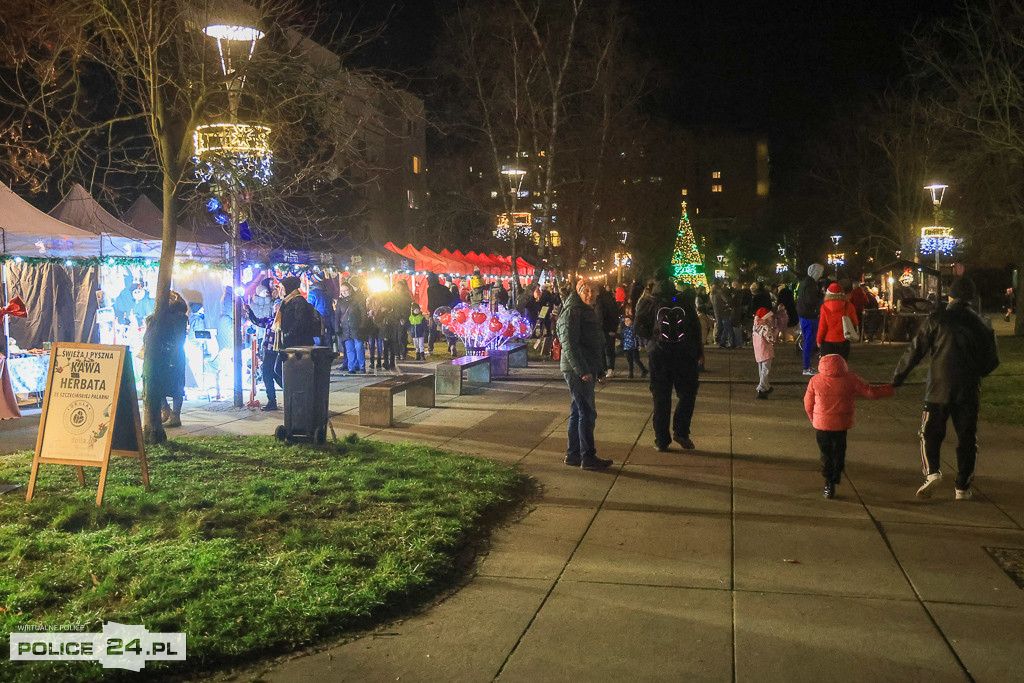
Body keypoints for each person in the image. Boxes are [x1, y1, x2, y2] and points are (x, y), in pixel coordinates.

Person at [892, 277, 1000, 500]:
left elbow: (915, 350)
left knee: (929, 433)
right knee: (967, 437)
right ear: (971, 298)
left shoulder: (936, 319)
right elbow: (992, 360)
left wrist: (898, 378)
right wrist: (975, 374)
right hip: (968, 389)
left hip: (938, 388)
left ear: (950, 296)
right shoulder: (982, 323)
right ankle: (962, 486)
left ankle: (932, 472)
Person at [804, 354, 894, 499]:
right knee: (839, 452)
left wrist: (814, 419)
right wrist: (890, 389)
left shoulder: (815, 380)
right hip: (840, 425)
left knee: (826, 454)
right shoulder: (851, 379)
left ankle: (828, 483)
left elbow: (808, 403)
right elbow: (870, 392)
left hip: (821, 425)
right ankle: (836, 475)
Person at [635, 276, 704, 451]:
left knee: (661, 397)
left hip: (659, 355)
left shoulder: (650, 302)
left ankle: (661, 439)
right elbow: (696, 328)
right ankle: (681, 431)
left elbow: (638, 326)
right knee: (687, 394)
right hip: (684, 354)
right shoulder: (683, 301)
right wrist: (698, 353)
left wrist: (652, 340)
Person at [556, 279, 612, 470]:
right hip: (577, 369)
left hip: (585, 367)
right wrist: (583, 371)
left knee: (578, 411)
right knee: (587, 412)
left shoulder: (584, 310)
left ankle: (573, 454)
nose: (590, 294)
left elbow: (594, 344)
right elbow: (570, 344)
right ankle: (588, 457)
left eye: (593, 291)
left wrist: (599, 370)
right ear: (578, 292)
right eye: (585, 291)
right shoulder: (573, 311)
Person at [145, 291, 189, 429]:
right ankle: (170, 412)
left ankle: (171, 413)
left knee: (169, 385)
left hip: (169, 355)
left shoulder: (170, 318)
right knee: (173, 385)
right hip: (173, 355)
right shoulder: (178, 318)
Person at [245, 280, 282, 411]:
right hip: (268, 350)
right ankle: (272, 400)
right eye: (275, 307)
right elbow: (256, 321)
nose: (276, 309)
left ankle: (289, 396)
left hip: (278, 351)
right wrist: (249, 311)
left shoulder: (282, 321)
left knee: (277, 374)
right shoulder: (270, 320)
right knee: (268, 374)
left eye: (278, 307)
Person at [796, 263, 826, 375]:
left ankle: (807, 365)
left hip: (805, 315)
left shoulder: (805, 282)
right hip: (809, 316)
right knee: (809, 340)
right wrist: (821, 296)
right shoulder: (811, 284)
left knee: (809, 340)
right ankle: (806, 367)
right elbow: (811, 300)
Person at [817, 282, 858, 359]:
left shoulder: (824, 307)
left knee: (829, 366)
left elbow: (822, 326)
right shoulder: (849, 306)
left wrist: (819, 341)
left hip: (828, 341)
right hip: (844, 340)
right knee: (842, 366)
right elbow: (855, 322)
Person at [336, 281, 366, 373]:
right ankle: (351, 367)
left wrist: (362, 325)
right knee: (349, 349)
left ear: (350, 289)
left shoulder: (357, 300)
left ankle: (361, 366)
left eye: (346, 290)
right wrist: (337, 327)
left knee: (358, 347)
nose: (344, 292)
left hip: (356, 328)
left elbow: (363, 313)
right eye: (342, 291)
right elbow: (337, 315)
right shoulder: (340, 302)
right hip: (345, 329)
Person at [306, 272, 335, 349]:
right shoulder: (327, 294)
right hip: (328, 321)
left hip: (318, 322)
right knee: (328, 342)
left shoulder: (312, 293)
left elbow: (309, 308)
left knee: (318, 343)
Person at [753, 307, 776, 399]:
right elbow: (771, 339)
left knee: (761, 370)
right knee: (765, 370)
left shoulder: (755, 326)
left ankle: (766, 386)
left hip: (758, 352)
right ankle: (761, 388)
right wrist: (774, 332)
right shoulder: (765, 327)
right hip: (766, 351)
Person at [425, 274, 451, 355]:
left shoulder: (430, 289)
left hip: (433, 312)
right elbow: (450, 298)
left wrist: (429, 309)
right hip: (444, 311)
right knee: (447, 329)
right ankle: (451, 346)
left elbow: (430, 301)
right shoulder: (444, 288)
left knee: (432, 331)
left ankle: (430, 349)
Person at [619, 313, 647, 379]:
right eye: (625, 321)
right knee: (629, 361)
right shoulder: (624, 329)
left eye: (628, 321)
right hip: (627, 347)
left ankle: (644, 370)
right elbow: (622, 337)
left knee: (636, 359)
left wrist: (640, 345)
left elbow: (638, 337)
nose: (626, 322)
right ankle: (630, 373)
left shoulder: (634, 328)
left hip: (634, 347)